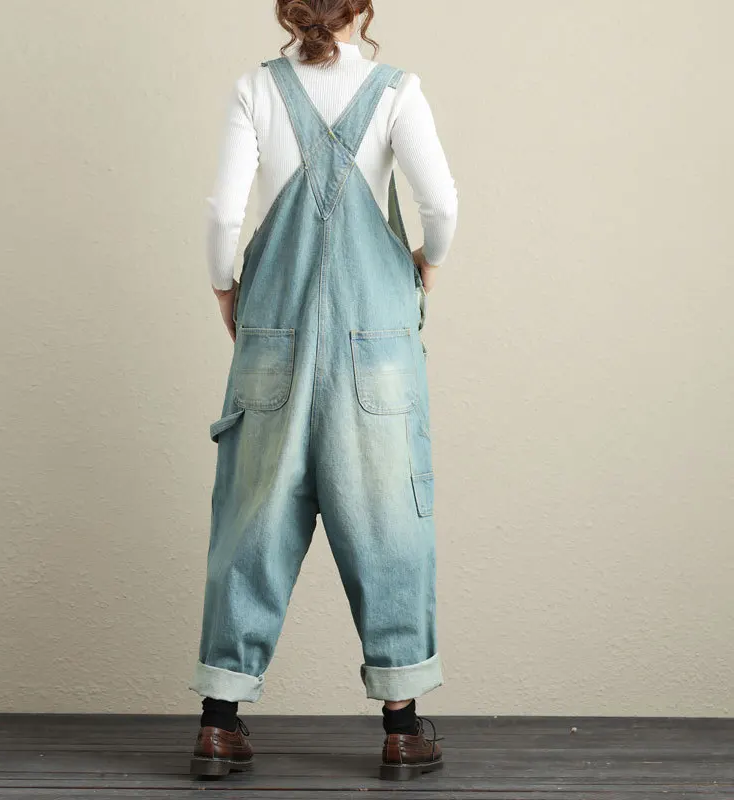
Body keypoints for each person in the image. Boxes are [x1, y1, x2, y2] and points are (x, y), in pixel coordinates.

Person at [188, 0, 458, 782]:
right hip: (376, 347)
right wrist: (430, 261)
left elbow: (224, 213)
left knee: (252, 520)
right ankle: (402, 729)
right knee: (388, 522)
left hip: (271, 335)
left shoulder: (255, 89)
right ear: (363, 8)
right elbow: (441, 203)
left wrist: (223, 287)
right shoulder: (397, 90)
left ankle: (218, 725)